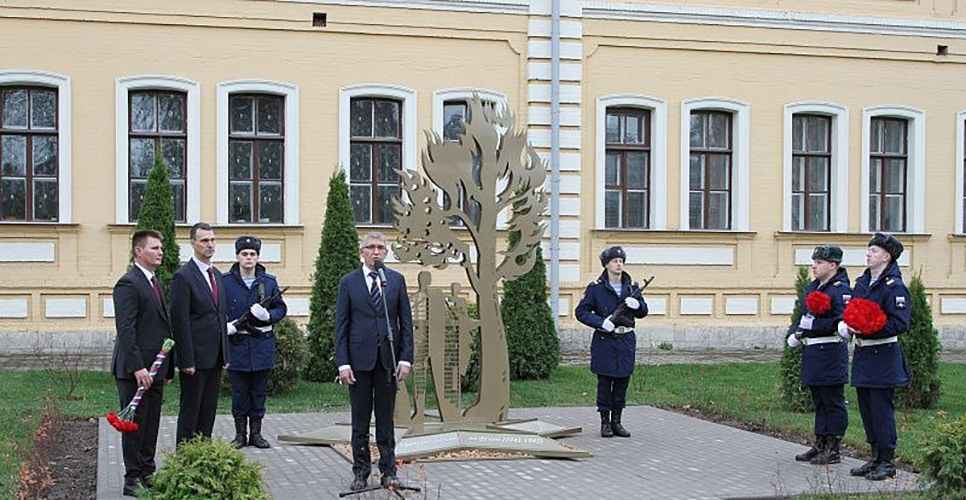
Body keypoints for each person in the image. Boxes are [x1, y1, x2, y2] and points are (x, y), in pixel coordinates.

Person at [335, 232, 414, 491]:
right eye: (371, 247)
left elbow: (406, 322)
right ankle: (360, 471)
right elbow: (342, 325)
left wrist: (405, 358)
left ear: (386, 252)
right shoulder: (349, 282)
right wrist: (343, 363)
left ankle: (389, 472)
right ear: (362, 251)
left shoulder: (395, 280)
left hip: (387, 360)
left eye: (380, 247)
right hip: (358, 362)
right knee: (360, 421)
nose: (376, 252)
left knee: (385, 420)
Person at [839, 233, 911, 481]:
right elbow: (853, 310)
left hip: (883, 355)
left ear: (887, 256)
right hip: (864, 352)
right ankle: (874, 456)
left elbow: (900, 323)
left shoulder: (894, 286)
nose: (868, 254)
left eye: (874, 250)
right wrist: (848, 326)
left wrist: (870, 327)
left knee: (881, 410)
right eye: (869, 250)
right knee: (867, 409)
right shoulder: (863, 282)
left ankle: (887, 461)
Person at [111, 230, 174, 496]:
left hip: (155, 369)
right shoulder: (129, 283)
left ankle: (148, 472)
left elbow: (160, 327)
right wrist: (138, 367)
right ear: (139, 251)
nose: (160, 252)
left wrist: (166, 368)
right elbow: (126, 329)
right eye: (155, 248)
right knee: (135, 426)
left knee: (152, 424)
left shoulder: (154, 282)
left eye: (161, 248)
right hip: (134, 370)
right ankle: (132, 479)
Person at [787, 245, 851, 465]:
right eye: (814, 262)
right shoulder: (814, 287)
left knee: (832, 400)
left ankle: (833, 447)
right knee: (820, 400)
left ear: (833, 265)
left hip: (830, 351)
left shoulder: (840, 289)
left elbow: (841, 320)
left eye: (820, 262)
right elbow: (803, 314)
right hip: (813, 350)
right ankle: (820, 443)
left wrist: (814, 324)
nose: (814, 266)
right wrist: (795, 332)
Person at [575, 246, 648, 438]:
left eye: (621, 261)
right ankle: (605, 423)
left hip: (625, 340)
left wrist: (638, 304)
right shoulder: (596, 289)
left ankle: (617, 422)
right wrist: (601, 323)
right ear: (606, 264)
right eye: (615, 261)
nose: (619, 264)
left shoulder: (631, 287)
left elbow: (643, 312)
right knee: (605, 383)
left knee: (622, 382)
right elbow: (581, 312)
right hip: (605, 340)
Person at [224, 236, 287, 449]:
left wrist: (267, 316)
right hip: (237, 344)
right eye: (244, 254)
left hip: (261, 345)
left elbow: (281, 309)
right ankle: (240, 435)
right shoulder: (225, 281)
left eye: (252, 254)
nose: (249, 258)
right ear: (237, 256)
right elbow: (217, 309)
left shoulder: (268, 282)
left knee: (258, 392)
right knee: (240, 393)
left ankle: (256, 434)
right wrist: (227, 326)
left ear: (257, 257)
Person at [171, 222, 230, 445]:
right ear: (193, 243)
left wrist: (225, 354)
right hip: (194, 358)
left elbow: (220, 316)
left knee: (208, 411)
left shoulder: (216, 274)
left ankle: (203, 455)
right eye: (205, 240)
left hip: (215, 357)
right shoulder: (183, 276)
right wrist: (186, 359)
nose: (210, 245)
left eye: (213, 240)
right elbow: (180, 320)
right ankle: (185, 458)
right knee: (191, 412)